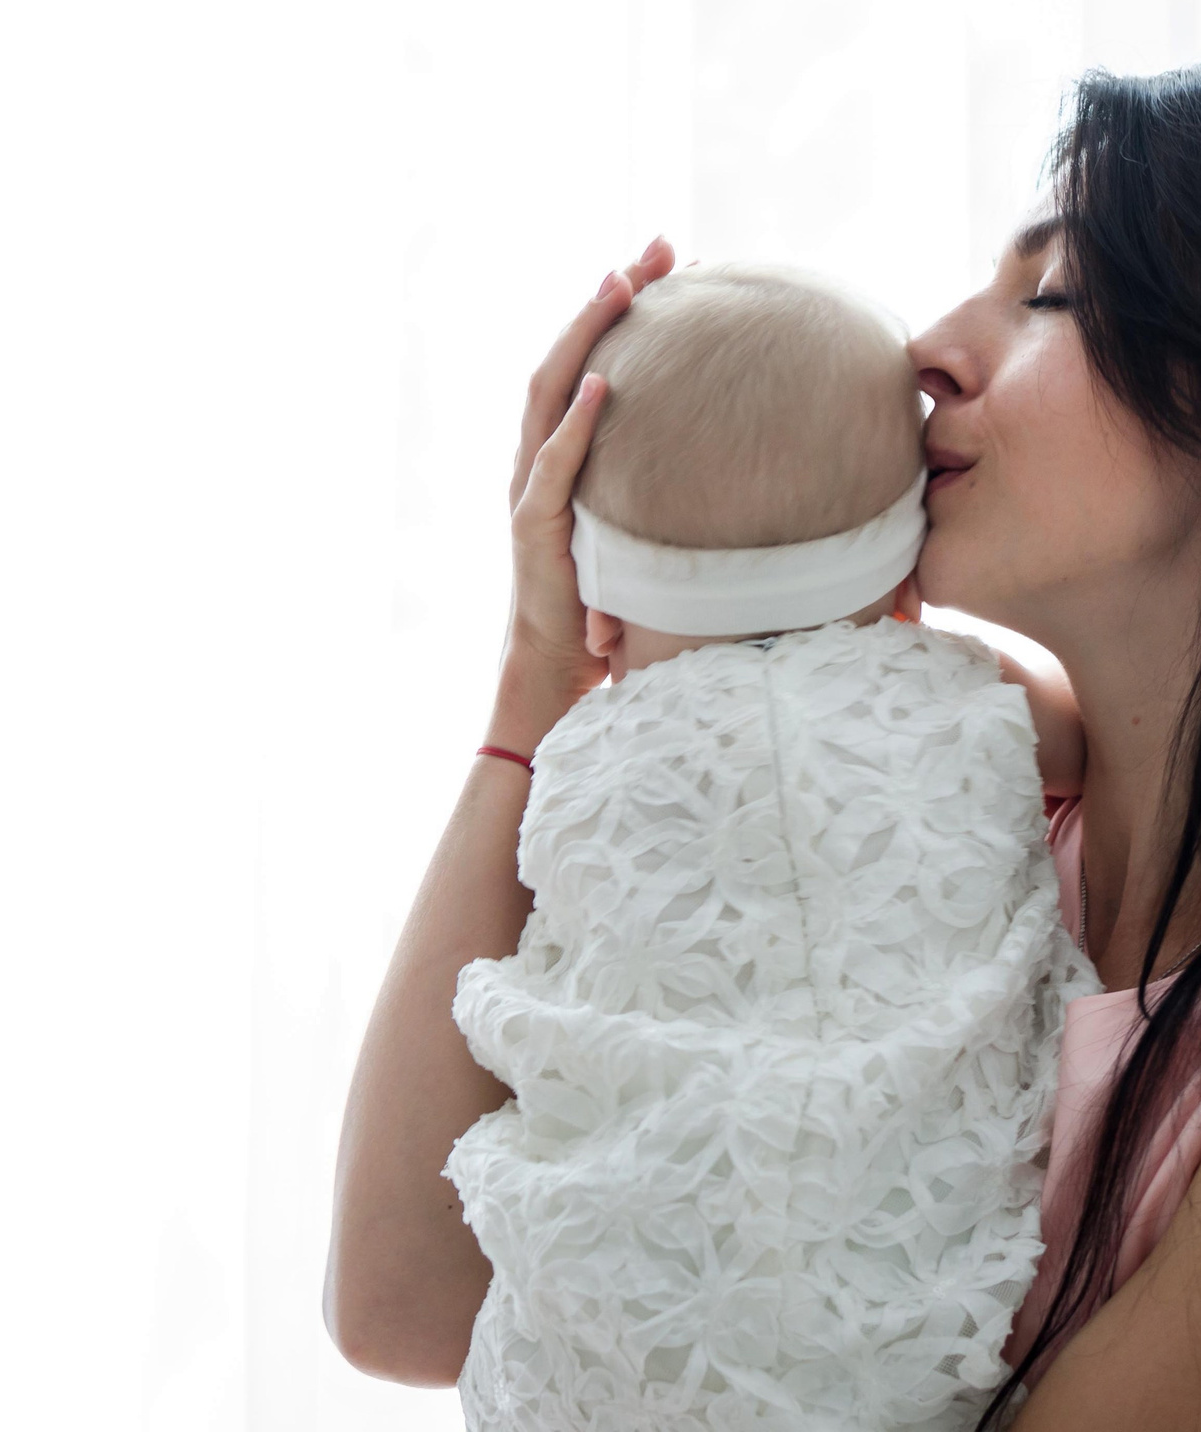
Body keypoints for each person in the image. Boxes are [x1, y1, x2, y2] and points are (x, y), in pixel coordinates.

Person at [328, 55, 1201, 1432]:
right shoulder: (968, 849)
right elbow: (406, 1302)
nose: (928, 348)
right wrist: (538, 687)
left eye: (1051, 296)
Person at [445, 262, 1093, 1431]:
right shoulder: (963, 697)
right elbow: (1075, 740)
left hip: (621, 1336)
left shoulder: (584, 751)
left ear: (595, 598)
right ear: (901, 568)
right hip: (907, 1344)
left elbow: (551, 999)